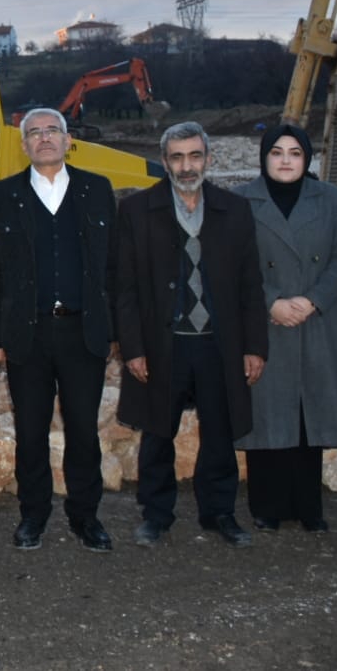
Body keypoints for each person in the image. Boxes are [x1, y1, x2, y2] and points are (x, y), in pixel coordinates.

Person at [115, 121, 267, 548]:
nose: (186, 166)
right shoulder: (135, 211)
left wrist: (255, 346)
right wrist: (133, 349)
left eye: (194, 156)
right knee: (157, 433)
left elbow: (251, 285)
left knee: (219, 432)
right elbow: (123, 289)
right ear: (164, 162)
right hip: (164, 344)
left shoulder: (234, 211)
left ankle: (219, 512)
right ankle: (156, 516)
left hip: (219, 342)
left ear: (208, 159)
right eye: (177, 157)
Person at [0, 109, 116, 553]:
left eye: (51, 131)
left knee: (83, 430)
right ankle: (33, 515)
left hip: (83, 332)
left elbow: (112, 267)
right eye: (34, 133)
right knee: (31, 430)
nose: (43, 138)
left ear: (67, 139)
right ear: (24, 145)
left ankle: (85, 515)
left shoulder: (97, 190)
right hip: (28, 336)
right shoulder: (2, 196)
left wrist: (115, 331)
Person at [235, 125, 337, 532]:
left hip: (316, 319)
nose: (286, 160)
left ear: (307, 159)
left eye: (294, 152)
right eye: (277, 152)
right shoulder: (241, 200)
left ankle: (309, 507)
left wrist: (312, 301)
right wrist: (272, 300)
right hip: (266, 319)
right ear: (264, 157)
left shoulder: (329, 198)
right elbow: (234, 263)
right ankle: (267, 507)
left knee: (310, 414)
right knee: (267, 414)